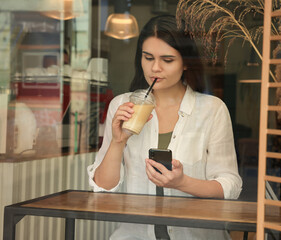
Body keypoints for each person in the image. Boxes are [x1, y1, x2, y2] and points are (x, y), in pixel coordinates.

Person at [87, 15, 242, 240]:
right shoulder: (122, 106)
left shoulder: (212, 109)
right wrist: (118, 142)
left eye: (167, 60)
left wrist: (182, 182)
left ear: (186, 62)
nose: (155, 68)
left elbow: (230, 185)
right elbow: (102, 187)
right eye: (148, 57)